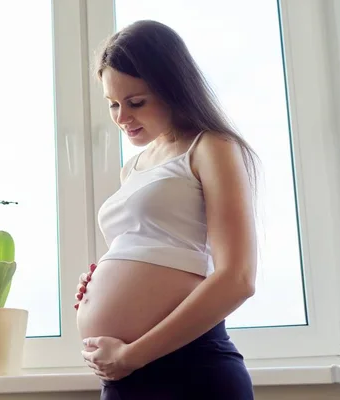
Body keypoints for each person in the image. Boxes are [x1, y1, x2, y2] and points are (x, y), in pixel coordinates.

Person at [74, 20, 259, 399]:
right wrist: (99, 282)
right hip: (125, 376)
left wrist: (131, 354)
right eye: (112, 104)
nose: (121, 117)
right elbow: (152, 244)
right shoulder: (134, 167)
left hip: (189, 368)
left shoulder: (211, 147)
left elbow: (237, 278)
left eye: (135, 102)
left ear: (172, 87)